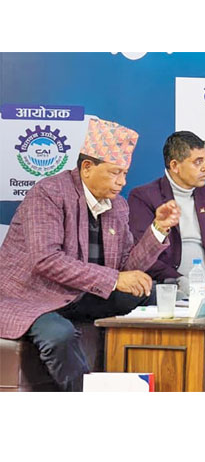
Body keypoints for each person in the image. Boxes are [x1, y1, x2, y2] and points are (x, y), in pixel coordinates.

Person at [0, 117, 180, 391]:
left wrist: (158, 229)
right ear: (87, 168)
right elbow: (46, 260)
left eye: (125, 174)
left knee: (153, 294)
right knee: (59, 335)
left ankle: (151, 381)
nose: (122, 182)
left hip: (80, 294)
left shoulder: (117, 206)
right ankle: (87, 402)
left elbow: (125, 268)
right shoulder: (48, 194)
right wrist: (115, 280)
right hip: (32, 296)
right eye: (115, 173)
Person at [128, 131, 205, 299]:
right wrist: (184, 282)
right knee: (180, 298)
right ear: (175, 166)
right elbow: (145, 257)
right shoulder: (144, 197)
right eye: (198, 162)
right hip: (172, 284)